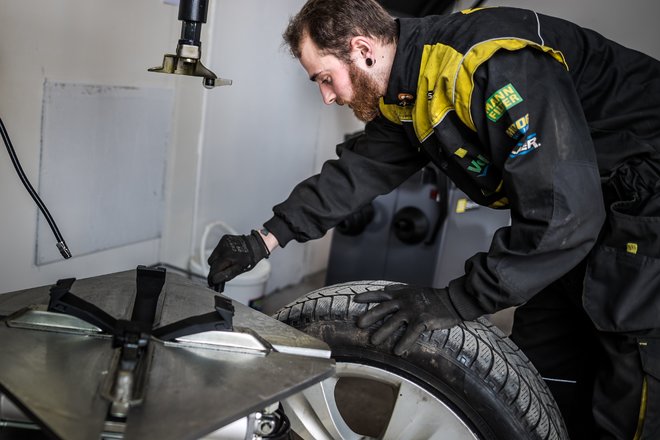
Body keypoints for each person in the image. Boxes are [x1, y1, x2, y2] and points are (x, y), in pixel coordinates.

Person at [207, 0, 660, 438]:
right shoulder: (408, 89)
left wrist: (455, 301)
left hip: (644, 209)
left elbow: (565, 214)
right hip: (587, 212)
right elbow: (358, 172)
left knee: (631, 383)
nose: (327, 96)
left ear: (363, 49)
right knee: (543, 373)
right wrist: (264, 239)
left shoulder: (490, 64)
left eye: (325, 78)